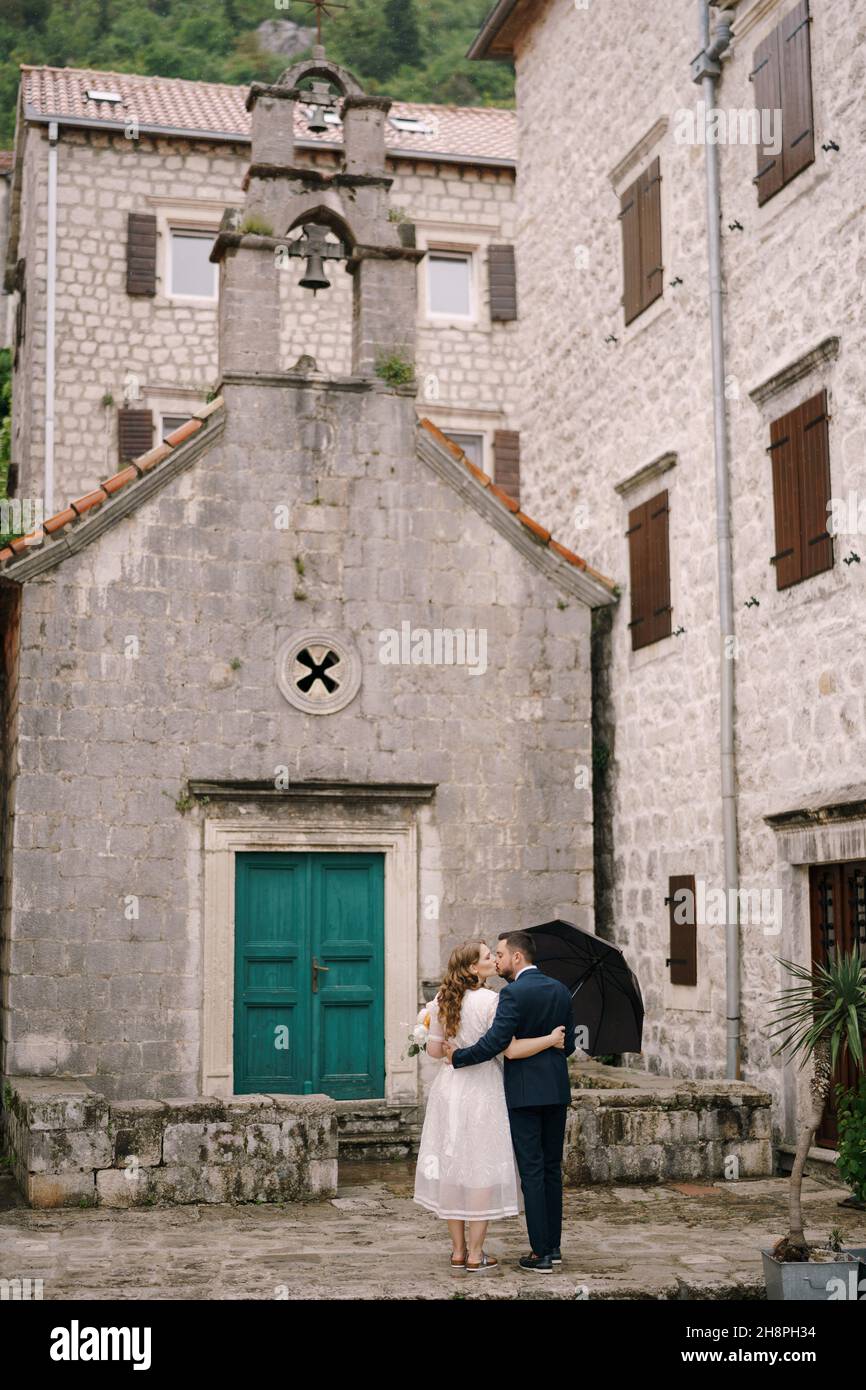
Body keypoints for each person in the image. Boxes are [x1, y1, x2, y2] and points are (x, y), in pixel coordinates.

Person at [413, 939, 566, 1274]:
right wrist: (552, 1040)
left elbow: (435, 1053)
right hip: (483, 1089)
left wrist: (435, 1035)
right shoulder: (492, 1000)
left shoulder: (441, 1001)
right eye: (487, 957)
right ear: (472, 968)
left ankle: (457, 1250)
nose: (494, 961)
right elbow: (506, 1049)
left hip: (449, 1089)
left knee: (453, 1166)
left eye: (495, 955)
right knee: (480, 1168)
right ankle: (476, 1253)